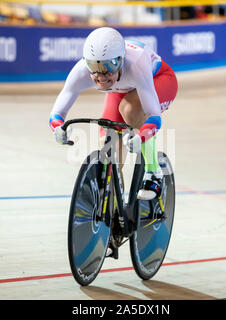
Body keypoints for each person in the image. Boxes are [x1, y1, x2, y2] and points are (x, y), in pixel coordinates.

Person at [49, 27, 178, 200]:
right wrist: (57, 128)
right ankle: (116, 207)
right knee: (110, 146)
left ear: (121, 60)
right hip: (121, 88)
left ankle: (153, 171)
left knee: (130, 109)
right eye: (94, 66)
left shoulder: (136, 65)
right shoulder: (81, 71)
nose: (101, 75)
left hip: (159, 79)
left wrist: (141, 136)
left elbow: (154, 116)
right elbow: (57, 112)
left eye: (109, 66)